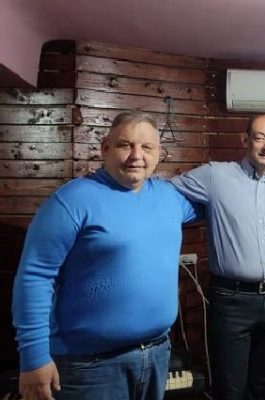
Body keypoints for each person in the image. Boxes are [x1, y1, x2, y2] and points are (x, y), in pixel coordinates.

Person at [12, 111, 198, 400]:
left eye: (147, 147)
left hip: (157, 354)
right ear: (106, 148)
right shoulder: (72, 200)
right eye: (126, 145)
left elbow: (219, 205)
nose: (137, 156)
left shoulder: (169, 197)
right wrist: (34, 357)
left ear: (158, 154)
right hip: (89, 366)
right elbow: (34, 277)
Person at [171, 113, 265, 400]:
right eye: (260, 138)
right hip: (231, 302)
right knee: (230, 390)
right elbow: (167, 189)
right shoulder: (215, 176)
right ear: (245, 140)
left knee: (263, 386)